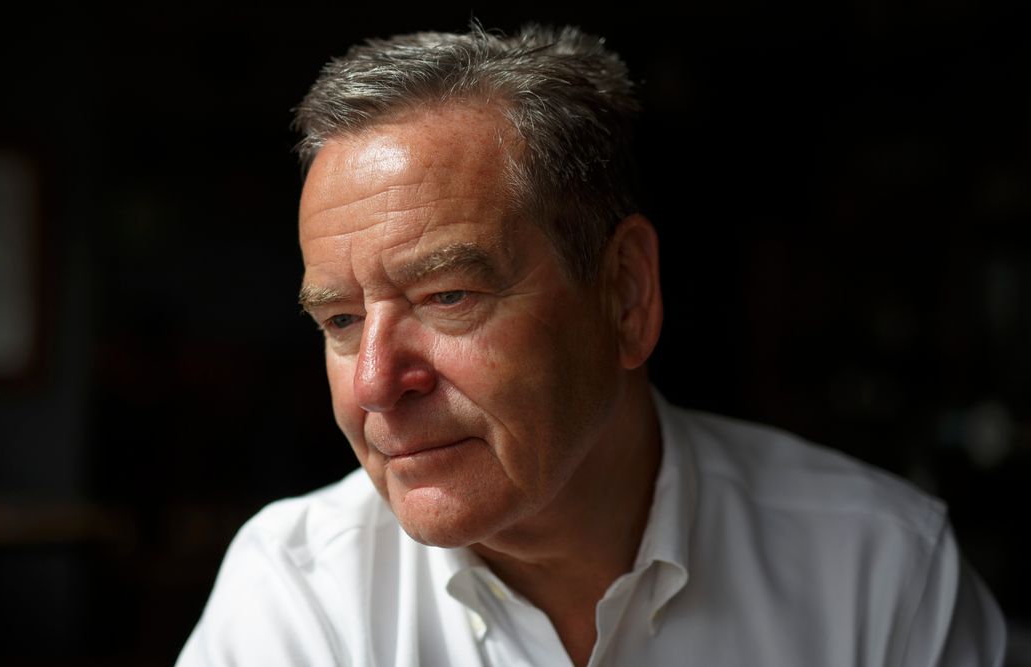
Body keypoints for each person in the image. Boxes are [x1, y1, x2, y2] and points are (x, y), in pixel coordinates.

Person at [177, 24, 1006, 666]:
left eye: (448, 295)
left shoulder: (880, 569)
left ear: (625, 293)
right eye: (341, 321)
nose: (375, 384)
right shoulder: (295, 592)